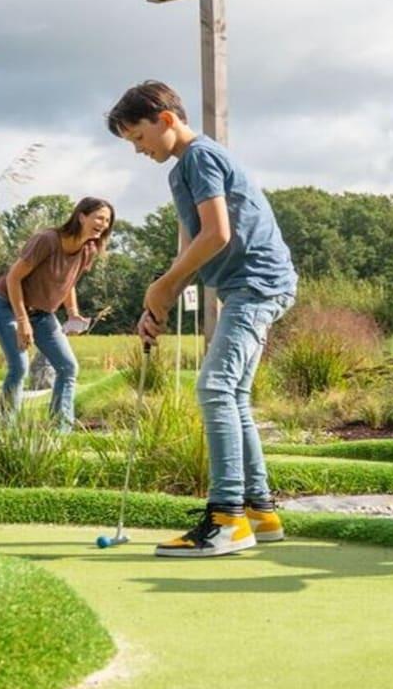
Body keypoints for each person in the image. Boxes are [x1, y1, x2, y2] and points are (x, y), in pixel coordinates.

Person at [107, 81, 297, 558]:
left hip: (256, 285)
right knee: (233, 396)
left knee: (214, 388)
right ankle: (259, 511)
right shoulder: (182, 171)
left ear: (166, 120)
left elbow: (216, 234)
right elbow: (190, 246)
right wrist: (160, 300)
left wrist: (165, 285)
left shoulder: (200, 157)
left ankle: (226, 519)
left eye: (138, 137)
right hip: (247, 287)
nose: (138, 149)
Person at [0, 198, 114, 433]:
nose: (103, 224)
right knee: (19, 367)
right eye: (99, 218)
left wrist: (73, 314)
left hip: (42, 313)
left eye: (107, 220)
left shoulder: (88, 249)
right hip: (7, 305)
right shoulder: (47, 240)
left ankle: (60, 432)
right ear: (81, 216)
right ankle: (4, 431)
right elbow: (14, 278)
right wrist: (22, 321)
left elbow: (69, 282)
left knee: (68, 367)